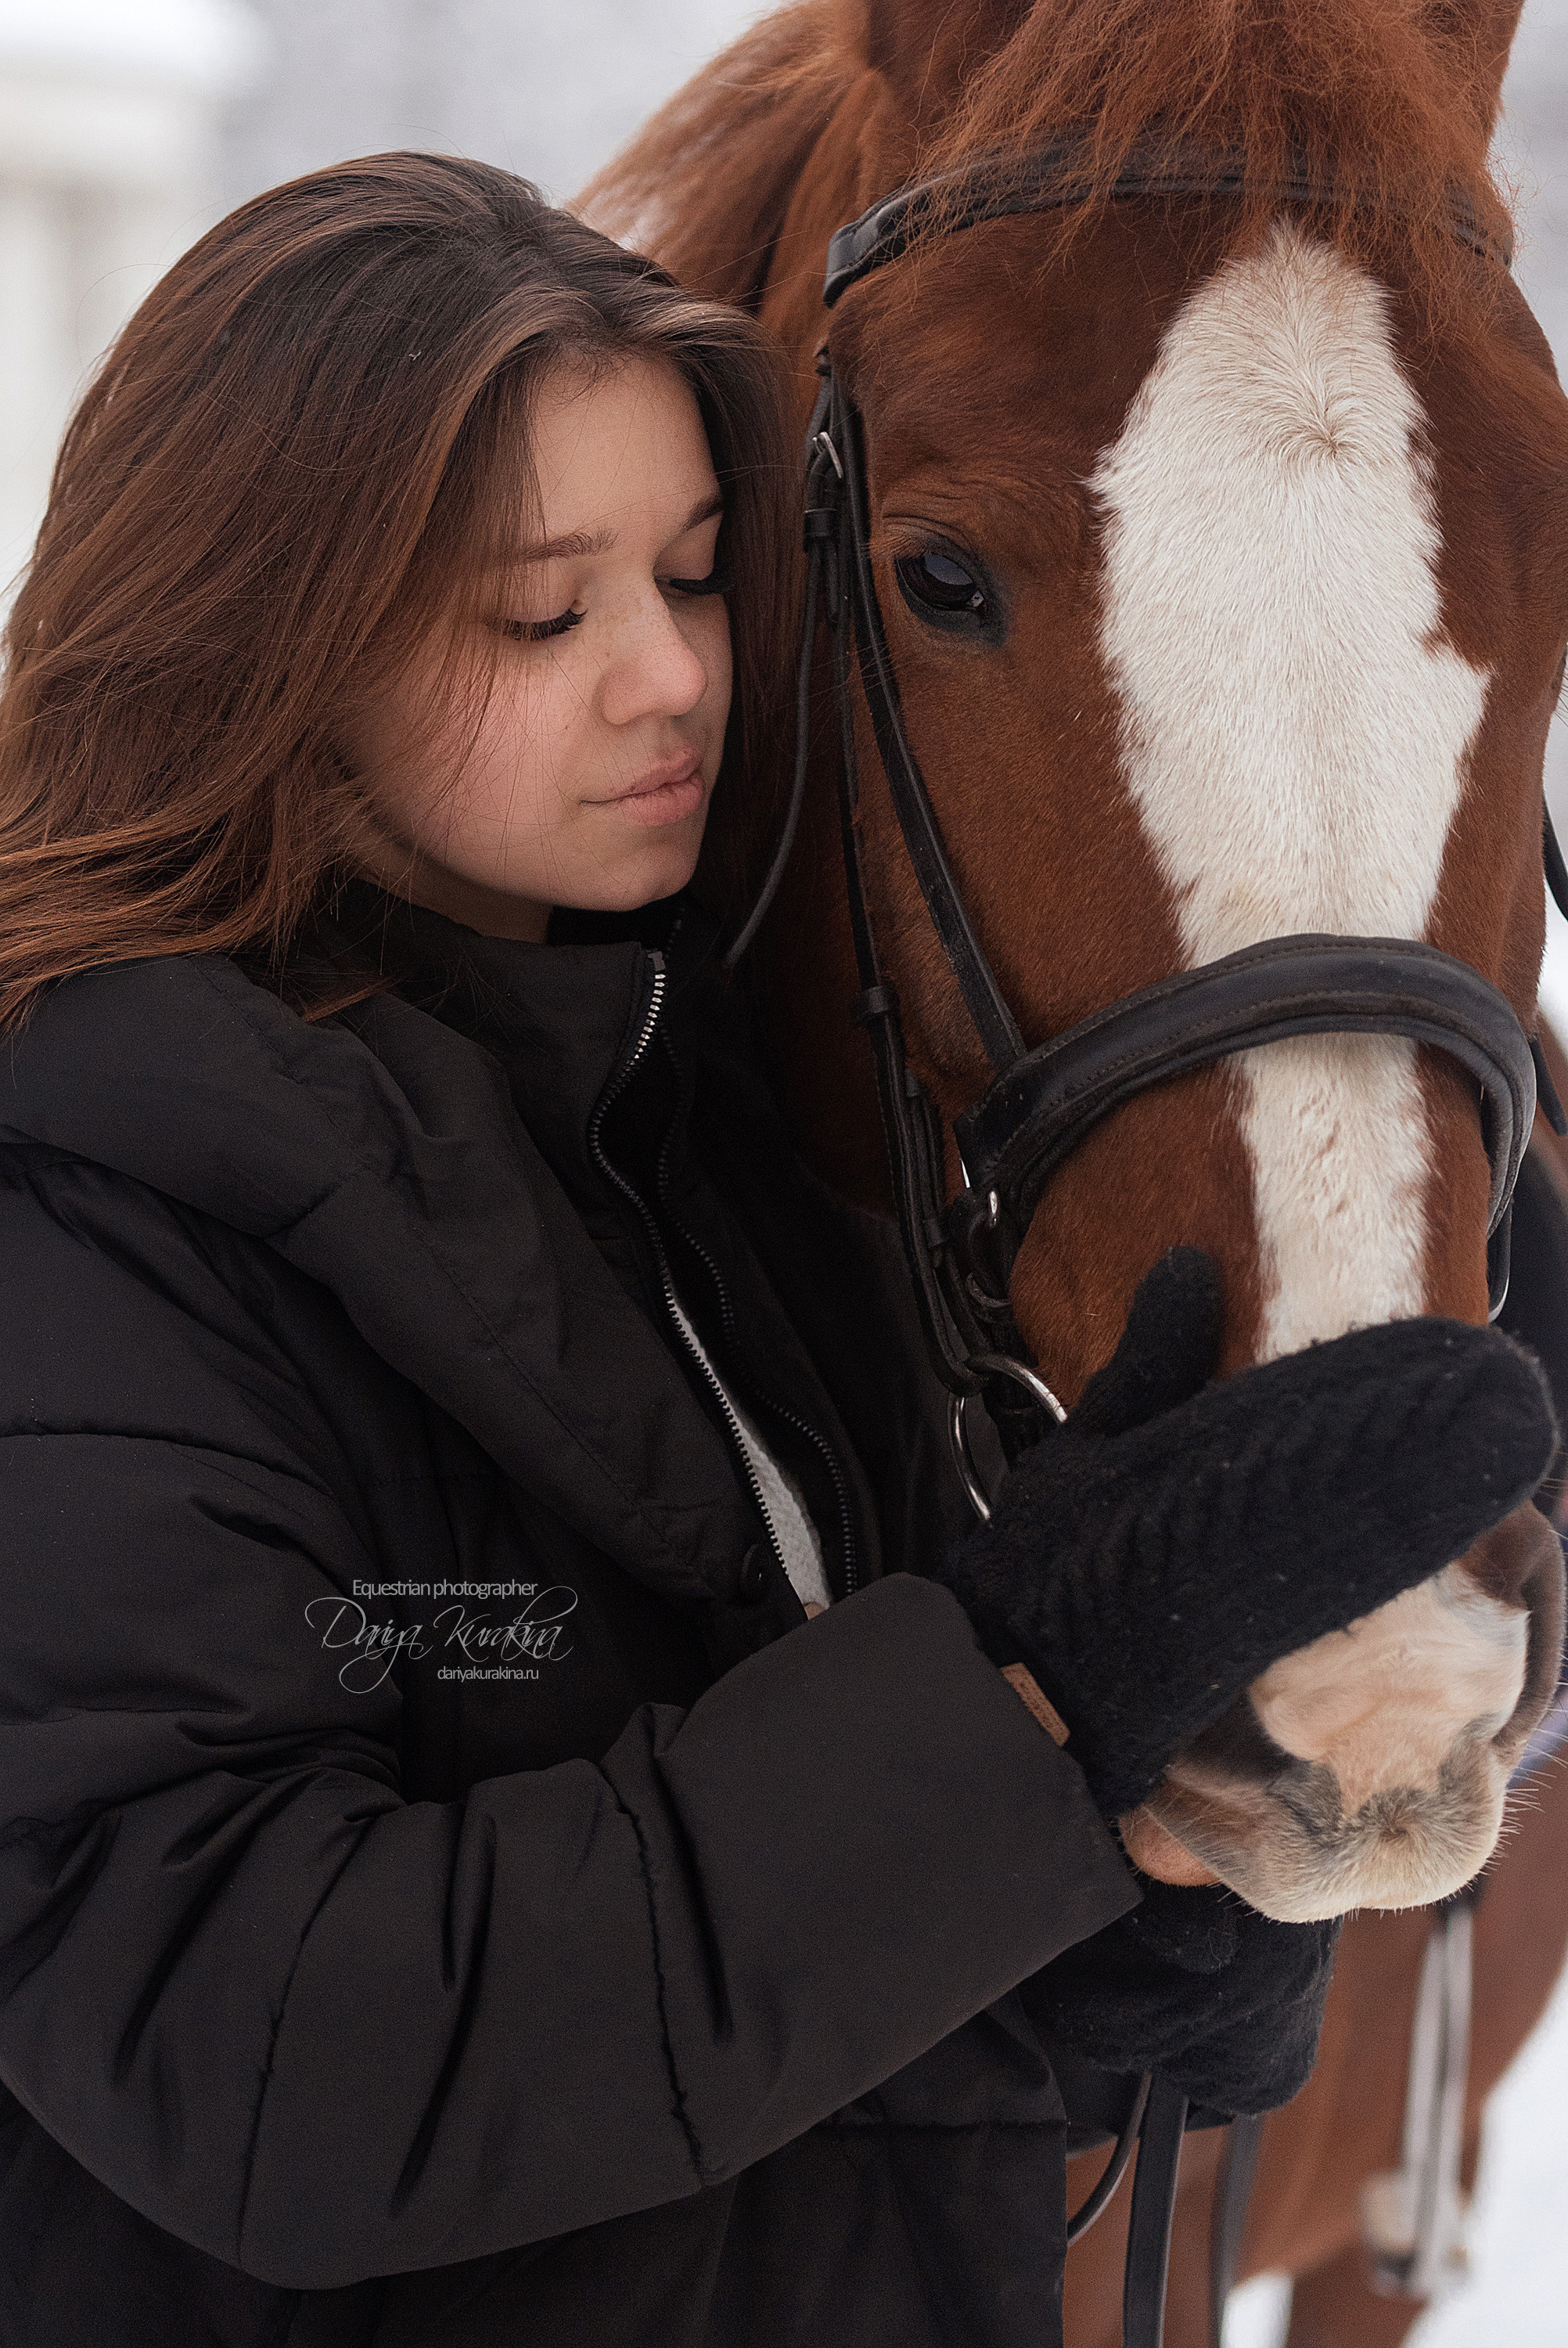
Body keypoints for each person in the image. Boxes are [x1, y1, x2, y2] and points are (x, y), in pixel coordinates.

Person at [0, 155, 1552, 2348]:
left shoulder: (706, 1163)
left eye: (701, 577)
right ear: (261, 623)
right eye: (542, 615)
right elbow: (272, 2055)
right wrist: (1022, 1711)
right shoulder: (86, 1224)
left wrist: (1152, 1849)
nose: (668, 680)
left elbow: (832, 2021)